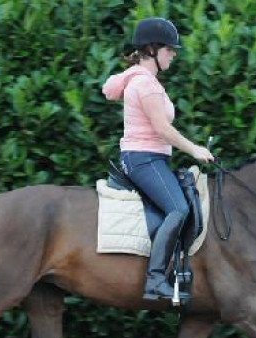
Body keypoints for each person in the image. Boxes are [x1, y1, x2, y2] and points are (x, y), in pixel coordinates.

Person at [102, 17, 214, 301]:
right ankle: (154, 281)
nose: (173, 54)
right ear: (152, 49)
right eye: (169, 49)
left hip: (149, 158)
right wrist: (195, 149)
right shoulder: (146, 84)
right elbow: (162, 129)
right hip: (144, 159)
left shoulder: (143, 80)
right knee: (178, 209)